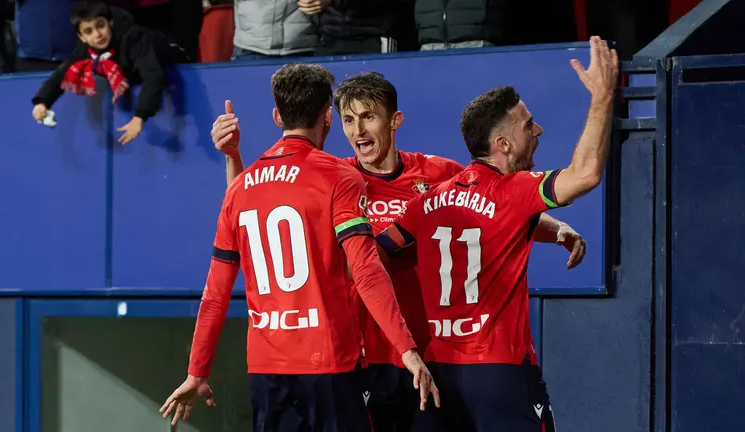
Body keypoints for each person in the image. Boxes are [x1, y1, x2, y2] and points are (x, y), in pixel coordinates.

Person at [211, 71, 586, 431]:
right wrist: (233, 158)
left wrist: (557, 230)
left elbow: (494, 211)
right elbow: (253, 215)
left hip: (432, 359)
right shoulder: (333, 179)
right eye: (347, 120)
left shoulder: (438, 173)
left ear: (395, 121)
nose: (358, 131)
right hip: (365, 358)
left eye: (368, 117)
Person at [159, 62, 439, 431]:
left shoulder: (240, 189)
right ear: (327, 116)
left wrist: (197, 371)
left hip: (266, 370)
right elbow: (367, 271)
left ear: (277, 115)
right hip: (330, 365)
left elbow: (214, 296)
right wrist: (408, 350)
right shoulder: (340, 176)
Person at [373, 36, 618, 432]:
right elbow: (585, 174)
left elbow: (375, 257)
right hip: (500, 373)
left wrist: (557, 232)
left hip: (438, 375)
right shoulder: (514, 191)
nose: (537, 129)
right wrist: (603, 97)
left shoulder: (427, 202)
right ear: (502, 144)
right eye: (527, 124)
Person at [30, 0, 188, 145]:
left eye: (100, 25)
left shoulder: (133, 37)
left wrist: (139, 116)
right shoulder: (85, 48)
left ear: (110, 22)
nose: (97, 35)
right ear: (81, 37)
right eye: (89, 31)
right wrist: (41, 102)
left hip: (175, 61)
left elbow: (153, 76)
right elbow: (61, 74)